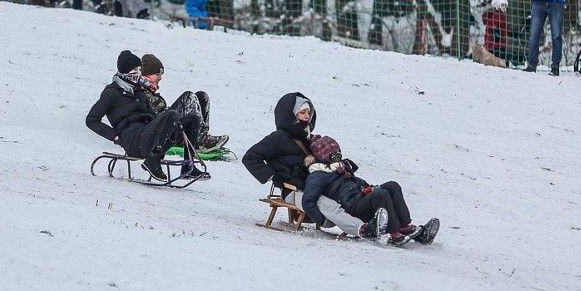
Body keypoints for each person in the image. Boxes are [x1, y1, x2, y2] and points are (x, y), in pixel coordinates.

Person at [242, 93, 371, 238]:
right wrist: (274, 176)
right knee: (325, 204)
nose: (306, 116)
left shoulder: (308, 139)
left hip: (315, 185)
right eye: (302, 112)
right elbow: (250, 157)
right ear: (290, 115)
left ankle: (375, 222)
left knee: (346, 194)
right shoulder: (278, 138)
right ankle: (362, 229)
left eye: (308, 112)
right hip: (294, 191)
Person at [85, 50, 206, 181]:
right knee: (172, 114)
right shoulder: (112, 93)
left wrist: (170, 128)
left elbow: (153, 116)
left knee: (193, 118)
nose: (138, 73)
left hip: (148, 136)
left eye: (139, 69)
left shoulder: (139, 91)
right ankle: (152, 160)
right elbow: (91, 120)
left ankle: (188, 166)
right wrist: (115, 136)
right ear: (124, 72)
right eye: (134, 70)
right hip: (133, 140)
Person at [301, 135, 434, 246]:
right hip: (351, 206)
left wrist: (368, 187)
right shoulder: (317, 175)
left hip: (360, 196)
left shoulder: (341, 167)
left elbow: (355, 182)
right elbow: (307, 200)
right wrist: (321, 221)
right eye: (334, 155)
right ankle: (394, 233)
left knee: (392, 186)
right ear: (324, 157)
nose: (338, 157)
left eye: (338, 153)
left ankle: (405, 225)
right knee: (381, 195)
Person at [139, 54, 229, 152]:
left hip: (165, 125)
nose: (160, 78)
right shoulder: (139, 91)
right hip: (158, 133)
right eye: (157, 74)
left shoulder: (148, 91)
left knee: (202, 96)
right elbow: (150, 115)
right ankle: (200, 140)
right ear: (146, 74)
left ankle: (202, 135)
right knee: (188, 97)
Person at [504, 0, 533, 66]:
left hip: (527, 26)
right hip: (512, 25)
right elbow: (503, 5)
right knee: (513, 50)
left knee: (526, 49)